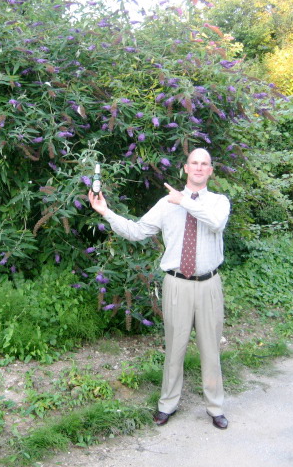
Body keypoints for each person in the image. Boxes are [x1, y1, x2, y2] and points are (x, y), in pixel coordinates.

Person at [88, 148, 231, 430]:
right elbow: (138, 231)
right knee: (174, 348)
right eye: (194, 163)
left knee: (211, 350)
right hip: (176, 284)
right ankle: (168, 404)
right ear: (186, 169)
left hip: (209, 285)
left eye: (205, 164)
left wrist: (186, 201)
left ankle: (215, 407)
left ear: (210, 170)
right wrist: (106, 212)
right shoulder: (167, 204)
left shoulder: (218, 202)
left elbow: (215, 223)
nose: (199, 168)